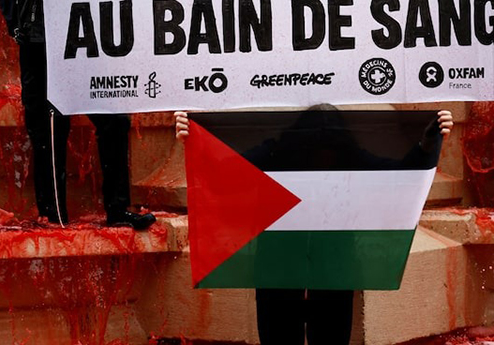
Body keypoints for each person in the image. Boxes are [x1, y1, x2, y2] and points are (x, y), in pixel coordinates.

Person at [175, 107, 453, 345]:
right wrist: (192, 138)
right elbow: (223, 172)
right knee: (279, 336)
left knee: (330, 336)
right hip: (282, 263)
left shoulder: (347, 155)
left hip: (331, 261)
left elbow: (400, 177)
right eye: (317, 148)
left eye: (329, 148)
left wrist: (427, 144)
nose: (323, 156)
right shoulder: (276, 152)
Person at [0, 0, 155, 230]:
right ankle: (54, 216)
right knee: (50, 130)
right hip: (41, 46)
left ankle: (118, 209)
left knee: (114, 119)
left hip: (86, 45)